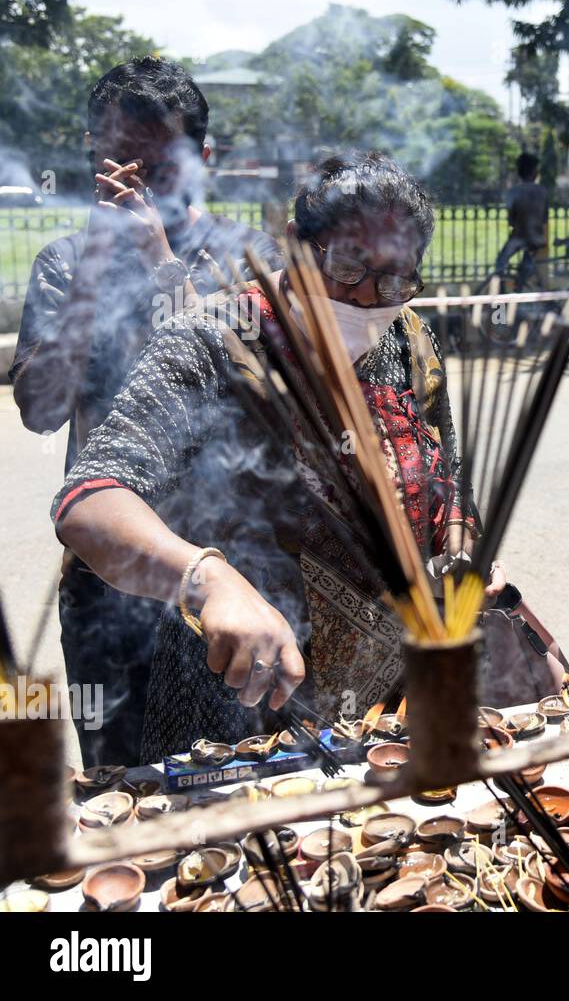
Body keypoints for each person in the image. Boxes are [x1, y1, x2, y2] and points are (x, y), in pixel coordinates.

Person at [52, 152, 503, 762]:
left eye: (396, 279)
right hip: (238, 708)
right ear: (295, 242)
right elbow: (91, 500)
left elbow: (448, 478)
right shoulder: (215, 338)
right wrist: (207, 582)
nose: (369, 298)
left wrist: (464, 554)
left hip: (385, 706)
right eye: (349, 265)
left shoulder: (409, 340)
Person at [7, 56, 281, 767]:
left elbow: (252, 395)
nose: (131, 184)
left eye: (155, 169)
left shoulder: (245, 257)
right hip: (109, 578)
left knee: (241, 784)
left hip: (232, 571)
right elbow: (39, 409)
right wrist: (97, 271)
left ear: (202, 158)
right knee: (122, 792)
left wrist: (162, 261)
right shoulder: (66, 263)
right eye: (115, 162)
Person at [493, 151, 549, 286]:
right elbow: (544, 218)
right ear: (534, 172)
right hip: (537, 238)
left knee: (500, 263)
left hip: (518, 238)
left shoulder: (513, 192)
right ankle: (519, 288)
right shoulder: (543, 191)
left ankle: (501, 303)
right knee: (526, 266)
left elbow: (511, 220)